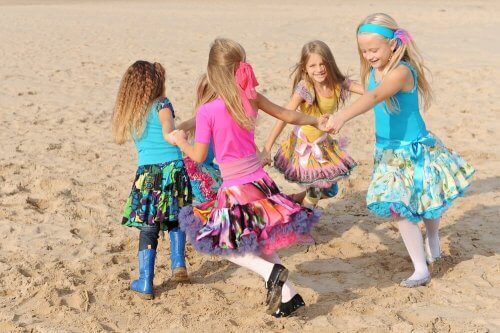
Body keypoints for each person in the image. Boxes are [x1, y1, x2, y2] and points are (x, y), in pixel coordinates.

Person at [173, 38, 325, 317]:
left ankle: (270, 272)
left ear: (212, 73)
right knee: (261, 240)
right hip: (260, 182)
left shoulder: (207, 111)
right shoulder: (250, 98)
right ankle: (289, 296)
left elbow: (197, 155)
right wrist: (316, 121)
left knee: (224, 246)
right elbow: (287, 114)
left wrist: (181, 140)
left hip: (235, 188)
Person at [326, 13, 475, 287]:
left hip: (414, 149)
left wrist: (341, 117)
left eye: (374, 49)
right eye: (364, 51)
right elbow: (370, 89)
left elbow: (375, 96)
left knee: (426, 201)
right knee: (400, 208)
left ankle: (431, 242)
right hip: (388, 151)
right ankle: (421, 267)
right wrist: (345, 83)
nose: (369, 55)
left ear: (393, 45)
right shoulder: (376, 71)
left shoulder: (402, 72)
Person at [112, 61, 192, 299]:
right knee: (177, 215)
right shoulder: (162, 104)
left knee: (149, 226)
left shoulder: (131, 112)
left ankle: (145, 280)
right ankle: (178, 264)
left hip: (147, 174)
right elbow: (168, 130)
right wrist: (176, 136)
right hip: (173, 169)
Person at [262, 40, 362, 207]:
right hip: (304, 147)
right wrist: (267, 147)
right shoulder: (305, 88)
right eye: (313, 65)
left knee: (330, 190)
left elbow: (371, 91)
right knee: (314, 193)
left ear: (330, 63)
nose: (319, 69)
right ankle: (303, 225)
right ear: (305, 69)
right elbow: (285, 116)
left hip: (323, 146)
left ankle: (293, 200)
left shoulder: (338, 83)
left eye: (323, 64)